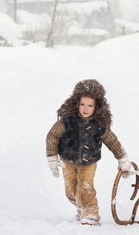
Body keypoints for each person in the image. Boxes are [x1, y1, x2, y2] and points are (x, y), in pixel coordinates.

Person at [46, 79, 132, 226]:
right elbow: (53, 136)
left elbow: (112, 141)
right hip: (68, 160)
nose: (85, 108)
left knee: (86, 187)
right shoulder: (67, 120)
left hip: (89, 162)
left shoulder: (100, 124)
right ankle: (81, 209)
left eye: (90, 105)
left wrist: (122, 158)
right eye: (82, 104)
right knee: (71, 191)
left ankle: (91, 213)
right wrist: (52, 157)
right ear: (76, 103)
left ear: (97, 106)